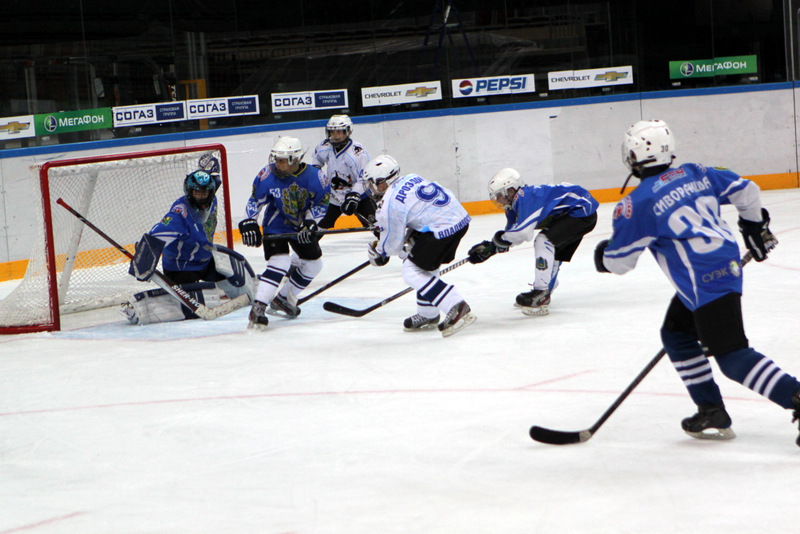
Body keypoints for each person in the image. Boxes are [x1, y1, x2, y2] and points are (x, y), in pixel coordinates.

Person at [595, 119, 800, 445]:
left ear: (633, 156)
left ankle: (796, 397)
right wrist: (753, 226)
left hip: (704, 282)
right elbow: (747, 190)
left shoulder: (637, 204)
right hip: (723, 267)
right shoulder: (697, 172)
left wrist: (601, 256)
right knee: (676, 334)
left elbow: (620, 262)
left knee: (732, 358)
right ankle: (711, 409)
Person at [124, 162, 255, 325]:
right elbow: (157, 234)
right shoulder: (180, 215)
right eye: (197, 192)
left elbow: (214, 179)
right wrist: (144, 253)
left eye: (205, 192)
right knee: (192, 311)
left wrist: (211, 166)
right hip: (181, 269)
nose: (202, 195)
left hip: (205, 261)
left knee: (240, 285)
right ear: (189, 191)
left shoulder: (211, 197)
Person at [362, 154, 475, 337]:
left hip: (441, 229)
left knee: (411, 270)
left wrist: (378, 252)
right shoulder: (411, 177)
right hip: (458, 219)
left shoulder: (389, 203)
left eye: (372, 183)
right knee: (422, 261)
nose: (371, 188)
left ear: (383, 182)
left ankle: (456, 305)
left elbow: (392, 244)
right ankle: (428, 313)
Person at [466, 168, 598, 316]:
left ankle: (541, 292)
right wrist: (490, 249)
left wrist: (494, 245)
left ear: (510, 190)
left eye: (499, 195)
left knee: (543, 241)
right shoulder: (512, 207)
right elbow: (511, 237)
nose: (497, 200)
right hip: (569, 213)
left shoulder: (525, 197)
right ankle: (546, 288)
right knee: (551, 247)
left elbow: (522, 232)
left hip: (582, 210)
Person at [238, 136, 330, 330]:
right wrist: (249, 221)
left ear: (295, 160)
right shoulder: (266, 174)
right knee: (280, 261)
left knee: (314, 264)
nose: (277, 164)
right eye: (276, 159)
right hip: (276, 224)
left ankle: (282, 299)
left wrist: (311, 222)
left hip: (300, 227)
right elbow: (256, 200)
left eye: (282, 160)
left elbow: (322, 202)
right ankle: (259, 307)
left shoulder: (316, 177)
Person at [311, 114, 375, 230]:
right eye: (332, 132)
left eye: (339, 132)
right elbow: (317, 159)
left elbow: (364, 179)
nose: (335, 136)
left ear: (348, 132)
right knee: (320, 226)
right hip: (334, 195)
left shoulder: (357, 153)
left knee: (375, 225)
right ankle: (309, 248)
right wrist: (315, 173)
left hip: (359, 196)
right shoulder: (324, 146)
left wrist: (354, 196)